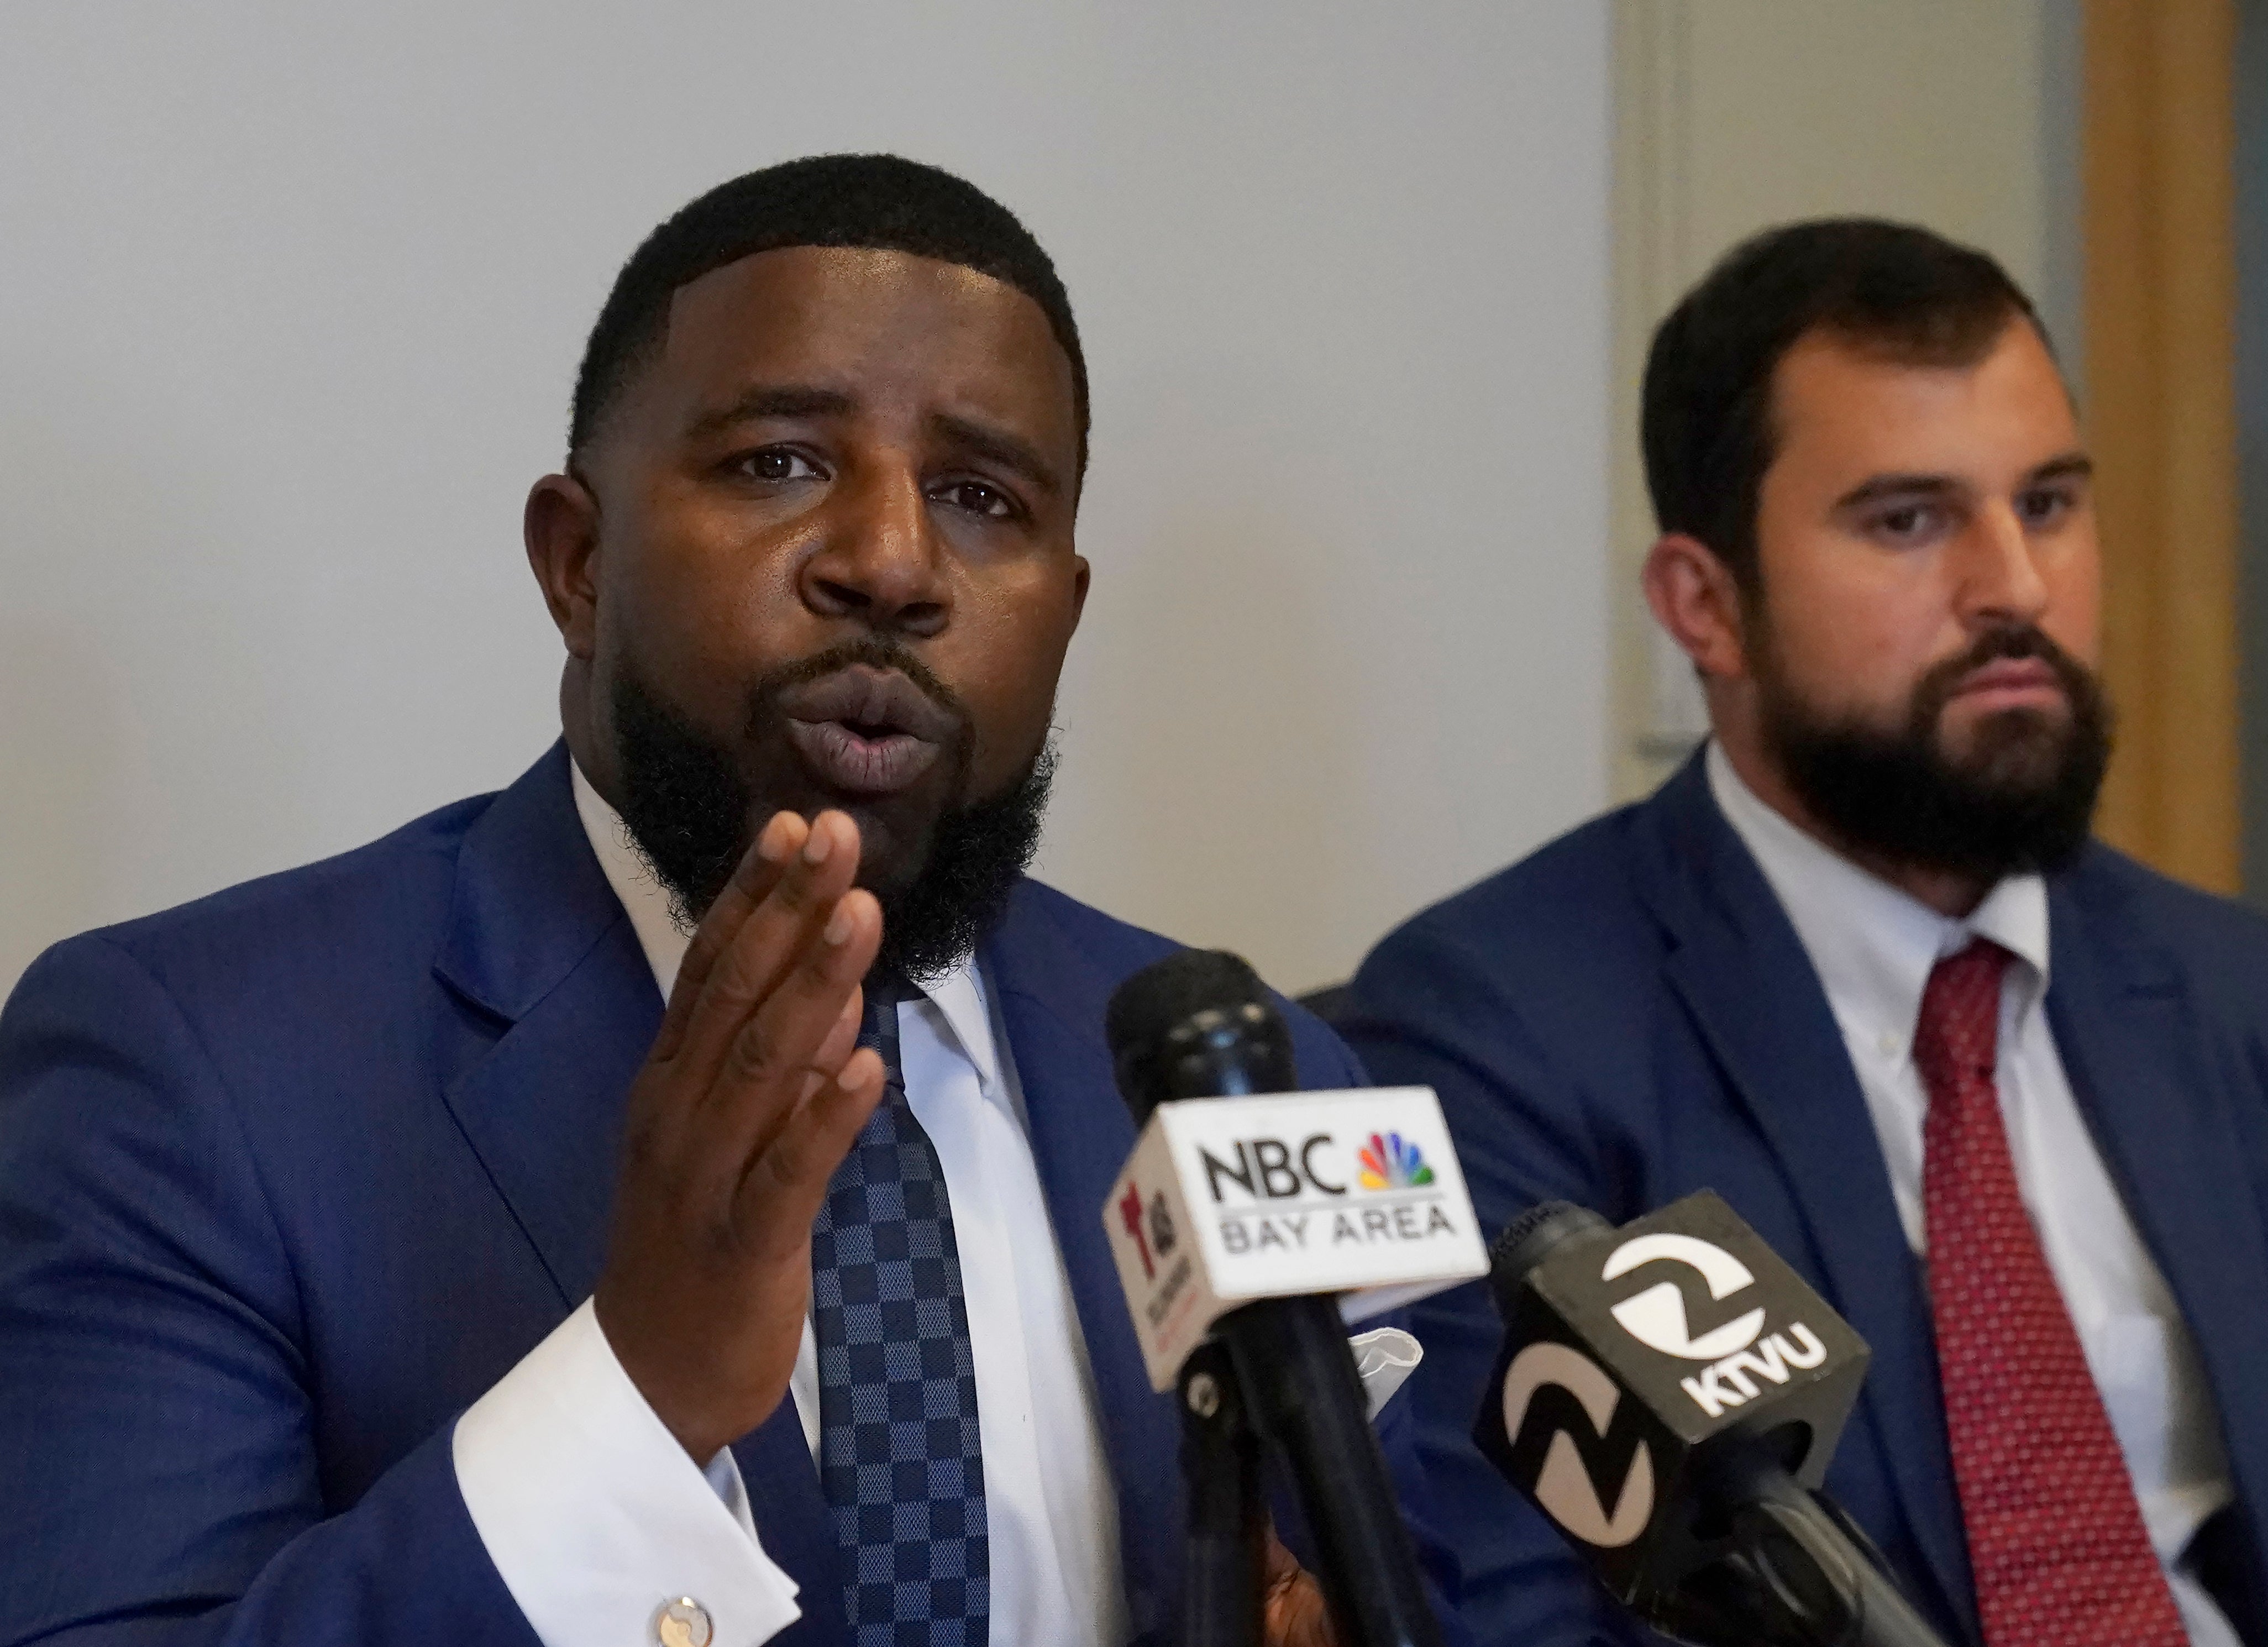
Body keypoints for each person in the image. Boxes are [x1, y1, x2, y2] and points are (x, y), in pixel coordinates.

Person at [0, 155, 1460, 1647]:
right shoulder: (183, 1068)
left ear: (1064, 611)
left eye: (980, 496)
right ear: (578, 563)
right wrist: (636, 1394)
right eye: (779, 462)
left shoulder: (1260, 1078)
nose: (892, 562)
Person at [1341, 218, 2268, 1646]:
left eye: (2049, 502)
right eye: (1910, 520)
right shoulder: (1493, 1030)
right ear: (1707, 604)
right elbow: (1509, 1624)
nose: (2015, 585)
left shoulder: (2240, 994)